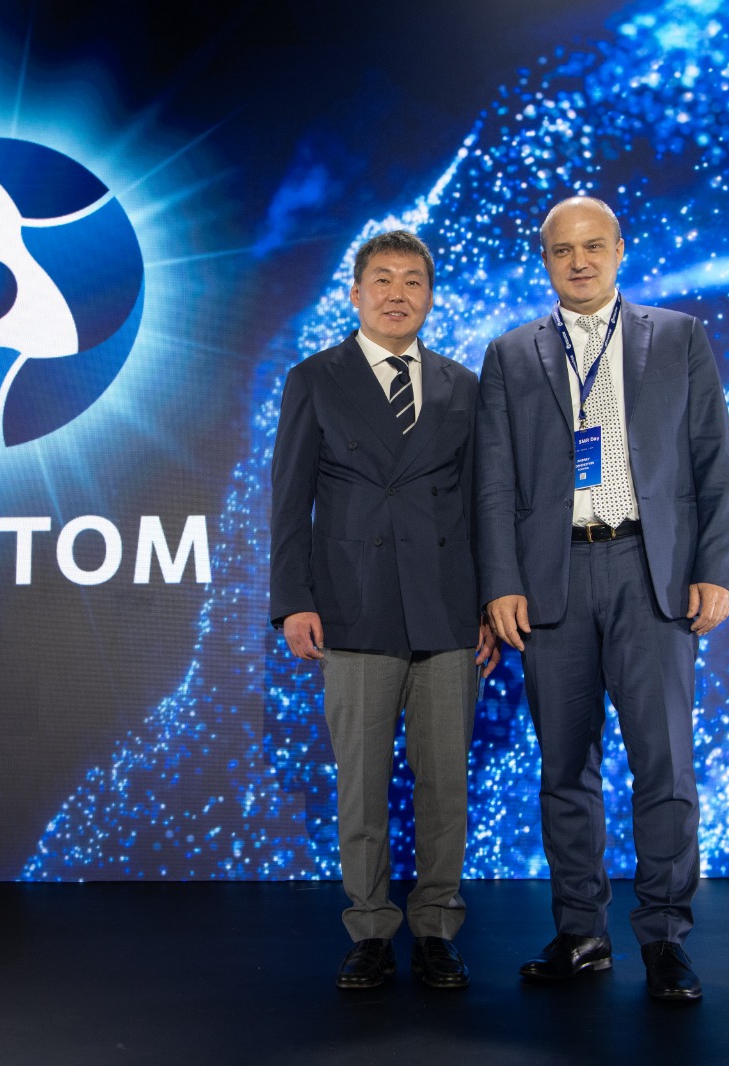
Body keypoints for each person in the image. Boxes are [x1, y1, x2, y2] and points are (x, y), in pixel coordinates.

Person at [475, 196, 729, 1001]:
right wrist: (501, 583)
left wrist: (716, 569)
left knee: (666, 766)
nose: (580, 261)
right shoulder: (511, 353)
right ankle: (581, 933)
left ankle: (665, 940)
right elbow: (494, 481)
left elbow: (714, 460)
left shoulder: (679, 337)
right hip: (551, 580)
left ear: (620, 250)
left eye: (594, 246)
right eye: (563, 250)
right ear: (545, 261)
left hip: (649, 571)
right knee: (565, 769)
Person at [270, 229, 498, 990]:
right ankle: (369, 929)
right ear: (356, 294)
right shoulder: (314, 378)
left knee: (445, 786)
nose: (398, 294)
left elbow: (483, 505)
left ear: (430, 296)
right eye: (383, 279)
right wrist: (293, 600)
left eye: (413, 281)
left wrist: (489, 606)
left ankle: (436, 929)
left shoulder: (463, 385)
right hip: (352, 605)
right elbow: (288, 501)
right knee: (362, 786)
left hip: (446, 609)